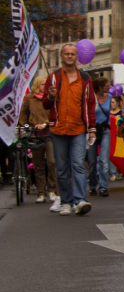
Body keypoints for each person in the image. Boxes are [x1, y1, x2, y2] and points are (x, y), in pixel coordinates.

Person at [42, 44, 95, 216]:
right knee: (62, 167)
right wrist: (50, 96)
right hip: (57, 128)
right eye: (67, 54)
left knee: (78, 164)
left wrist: (92, 128)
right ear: (62, 57)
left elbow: (90, 104)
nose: (70, 56)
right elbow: (45, 104)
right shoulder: (53, 77)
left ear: (77, 56)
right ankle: (65, 201)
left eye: (73, 54)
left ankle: (80, 200)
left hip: (78, 128)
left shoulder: (85, 78)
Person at [18, 76, 57, 204]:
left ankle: (51, 190)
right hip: (35, 135)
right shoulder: (30, 97)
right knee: (38, 165)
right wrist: (22, 126)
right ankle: (41, 193)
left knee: (51, 162)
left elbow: (55, 113)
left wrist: (46, 124)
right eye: (42, 84)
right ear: (36, 85)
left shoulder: (50, 97)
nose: (44, 86)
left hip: (49, 133)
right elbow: (23, 113)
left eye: (45, 84)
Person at [87, 77, 113, 197]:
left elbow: (109, 113)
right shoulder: (91, 98)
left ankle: (103, 187)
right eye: (107, 85)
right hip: (92, 131)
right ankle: (93, 185)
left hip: (105, 130)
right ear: (99, 87)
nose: (109, 87)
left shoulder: (109, 97)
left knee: (104, 160)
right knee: (92, 161)